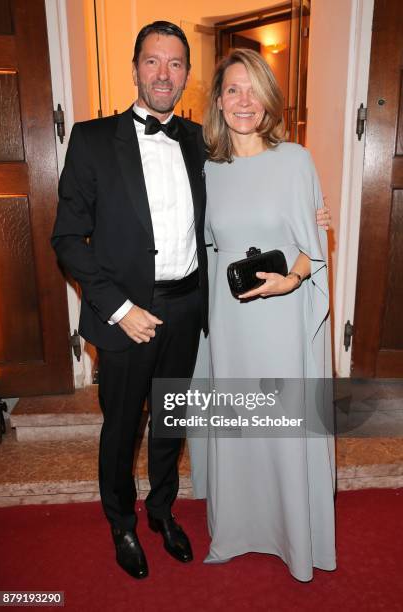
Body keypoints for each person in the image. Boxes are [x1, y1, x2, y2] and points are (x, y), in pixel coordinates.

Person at [52, 20, 330, 581]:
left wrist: (310, 231)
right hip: (125, 314)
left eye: (175, 64)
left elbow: (246, 206)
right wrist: (119, 309)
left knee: (171, 424)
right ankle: (122, 524)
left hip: (189, 310)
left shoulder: (199, 145)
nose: (163, 73)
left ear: (186, 77)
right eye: (152, 61)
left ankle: (161, 513)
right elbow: (66, 239)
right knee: (123, 427)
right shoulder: (91, 138)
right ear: (135, 68)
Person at [189, 48, 336, 582]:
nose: (243, 100)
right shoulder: (208, 170)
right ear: (219, 102)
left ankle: (293, 538)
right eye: (232, 90)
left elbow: (312, 242)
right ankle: (235, 531)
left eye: (253, 89)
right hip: (229, 324)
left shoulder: (295, 159)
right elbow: (200, 247)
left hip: (280, 317)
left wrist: (290, 280)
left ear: (268, 99)